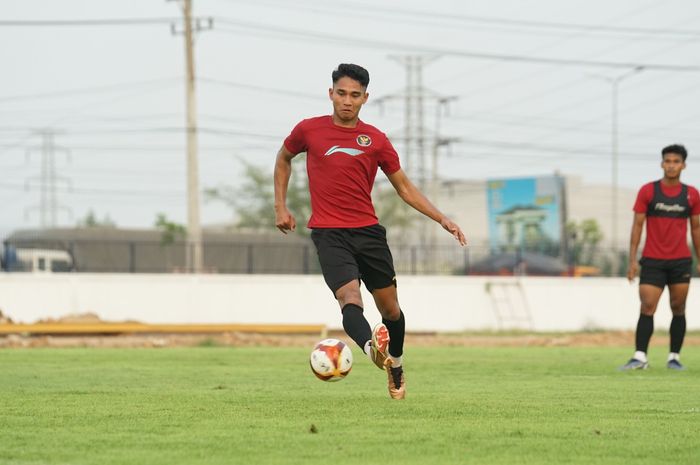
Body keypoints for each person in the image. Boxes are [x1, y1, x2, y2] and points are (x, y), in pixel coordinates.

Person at [274, 63, 466, 399]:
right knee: (349, 298)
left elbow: (404, 187)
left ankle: (397, 362)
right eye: (341, 93)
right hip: (328, 232)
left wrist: (441, 218)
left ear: (365, 98)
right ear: (331, 93)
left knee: (390, 310)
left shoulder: (375, 140)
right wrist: (281, 206)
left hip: (368, 233)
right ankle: (371, 349)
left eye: (355, 95)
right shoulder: (308, 130)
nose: (347, 101)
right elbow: (283, 158)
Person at [620, 144, 700, 371]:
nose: (671, 165)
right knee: (647, 306)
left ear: (683, 165)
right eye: (667, 161)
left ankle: (674, 357)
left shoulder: (691, 194)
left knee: (678, 306)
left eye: (676, 161)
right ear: (661, 164)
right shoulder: (648, 191)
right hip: (653, 260)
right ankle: (639, 357)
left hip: (681, 261)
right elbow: (637, 226)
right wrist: (632, 260)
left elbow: (696, 229)